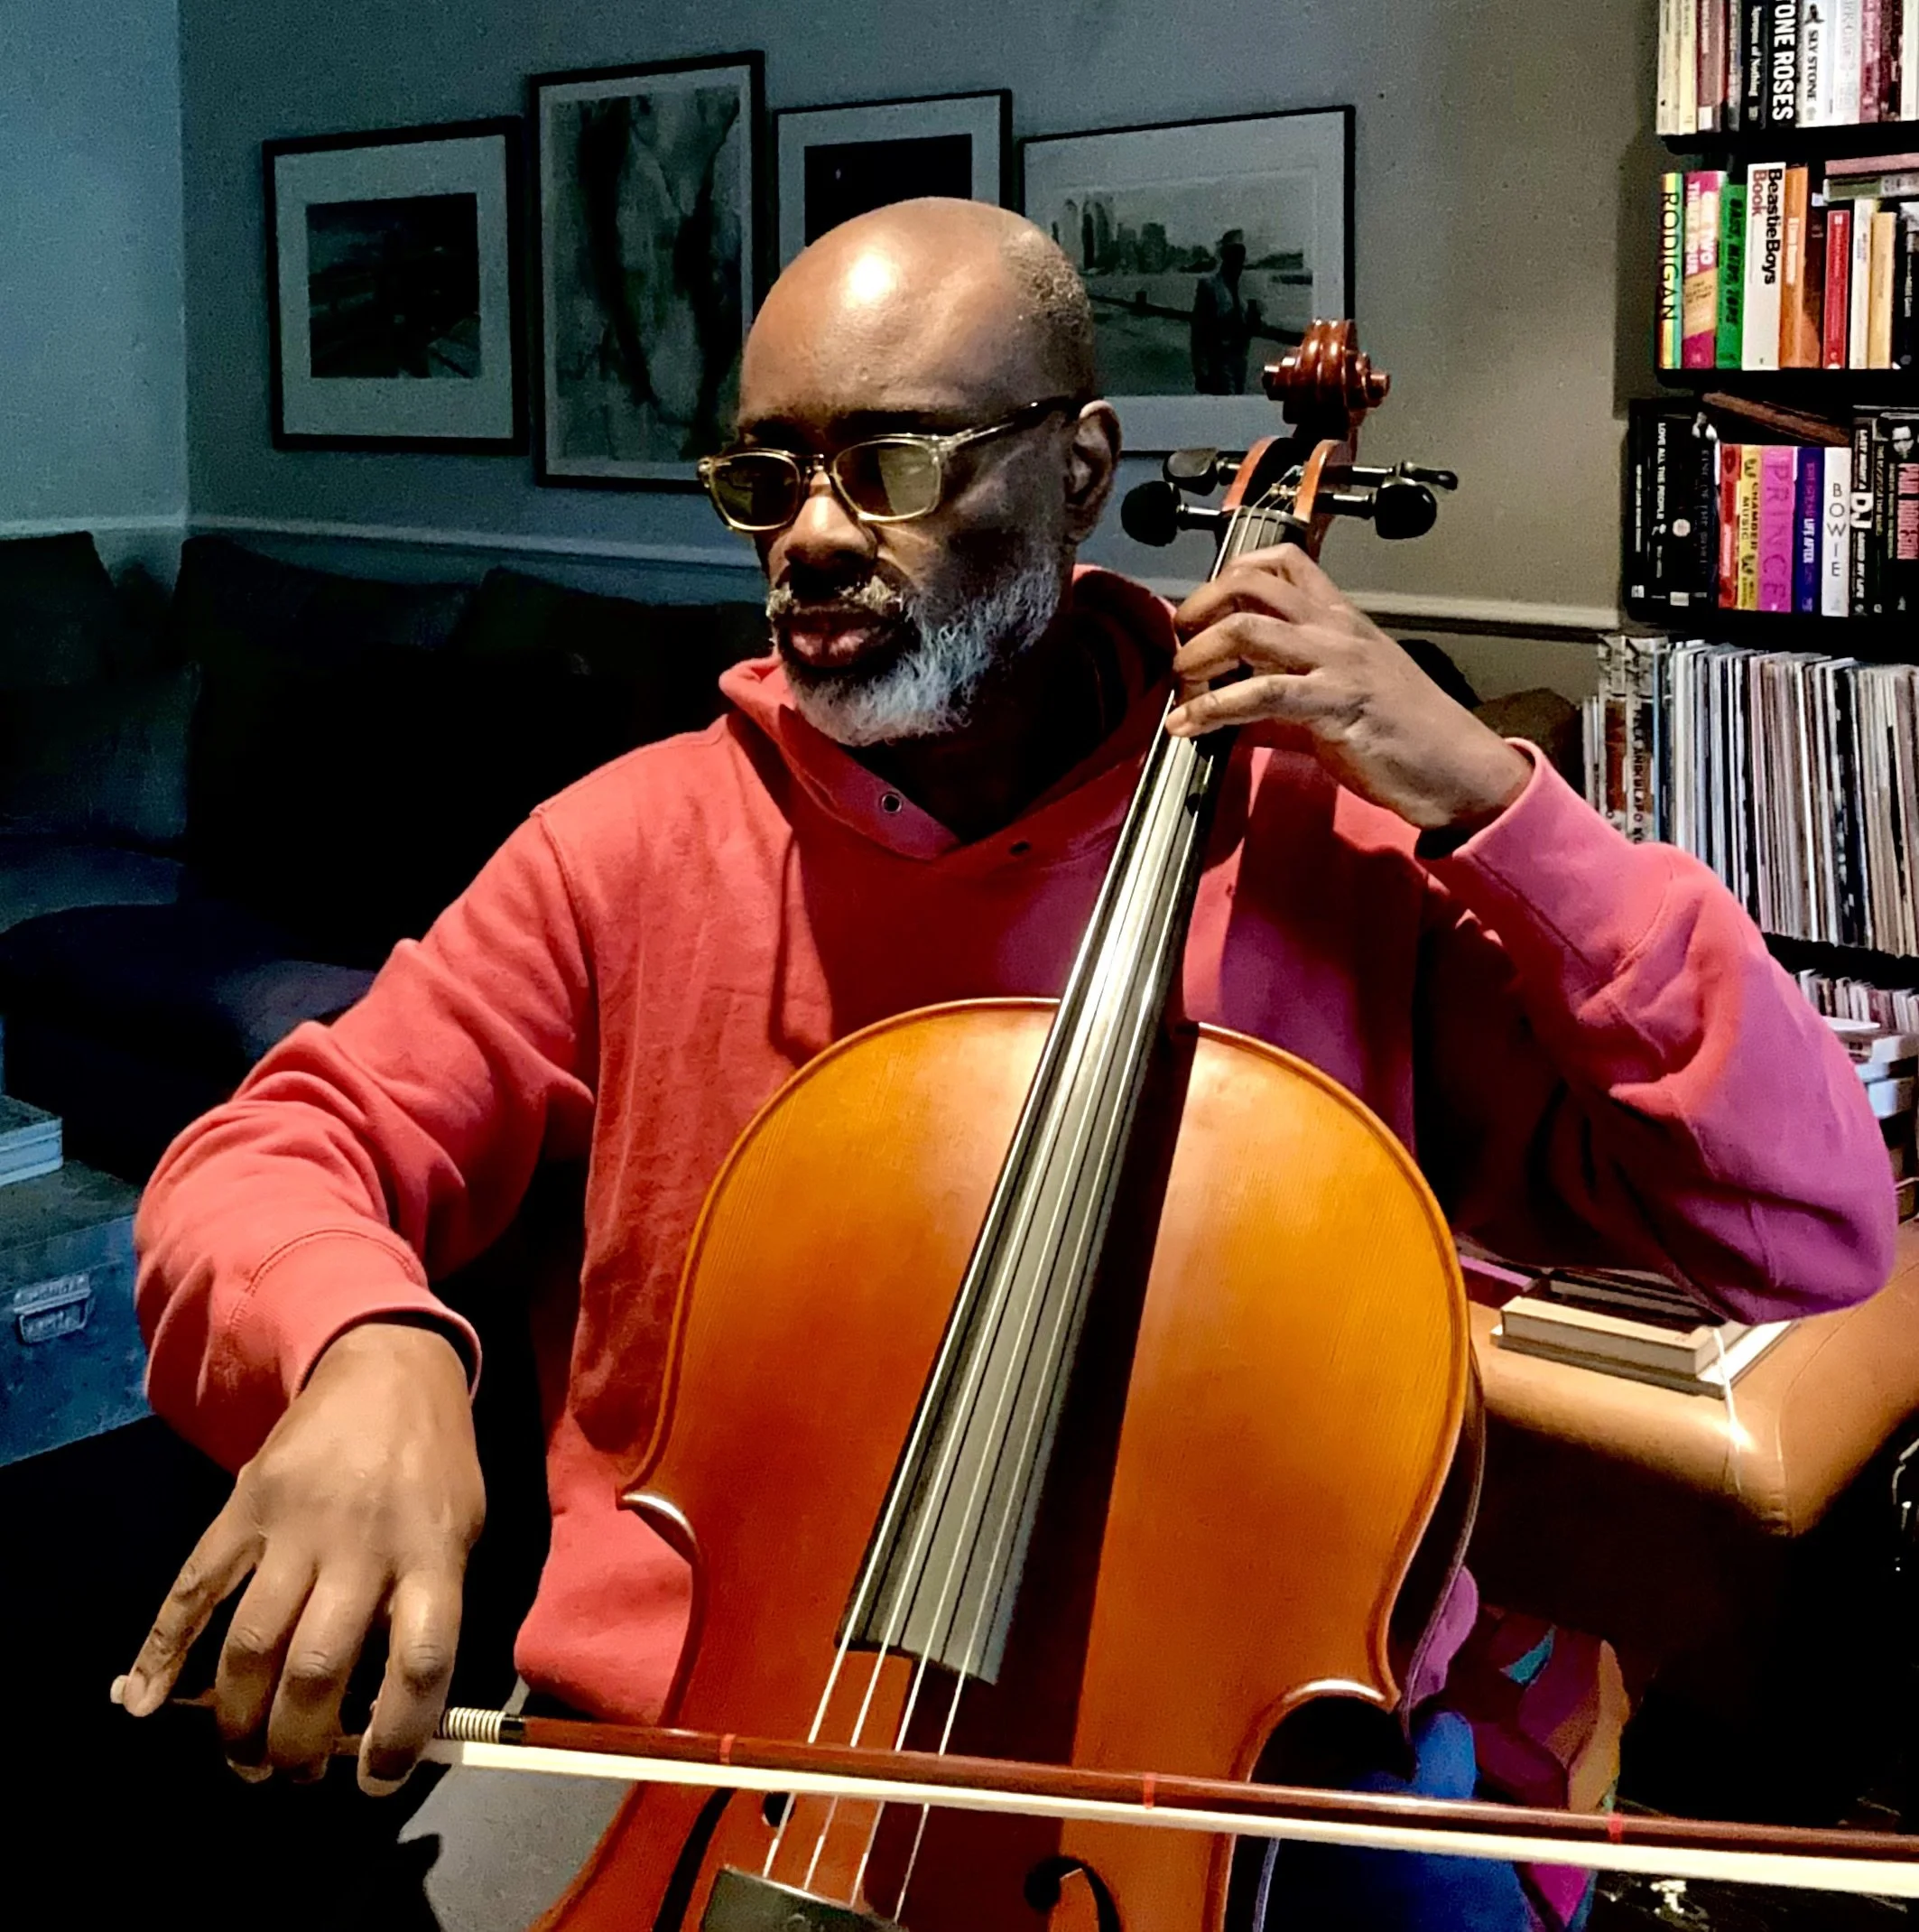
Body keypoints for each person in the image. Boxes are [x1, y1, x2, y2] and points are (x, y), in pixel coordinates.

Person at [121, 200, 1894, 1928]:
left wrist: (1499, 806)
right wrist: (360, 1341)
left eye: (890, 460)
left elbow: (1802, 1223)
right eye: (765, 475)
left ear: (1076, 467)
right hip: (695, 1747)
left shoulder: (1325, 863)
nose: (808, 534)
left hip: (1233, 1776)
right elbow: (275, 1154)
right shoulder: (629, 851)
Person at [1190, 227, 1263, 394]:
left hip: (1241, 361)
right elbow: (1198, 332)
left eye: (1241, 253)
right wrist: (1201, 372)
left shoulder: (1247, 289)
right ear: (1224, 255)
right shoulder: (1210, 286)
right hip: (1218, 361)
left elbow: (1253, 328)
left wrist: (1255, 318)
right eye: (1234, 252)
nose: (1238, 258)